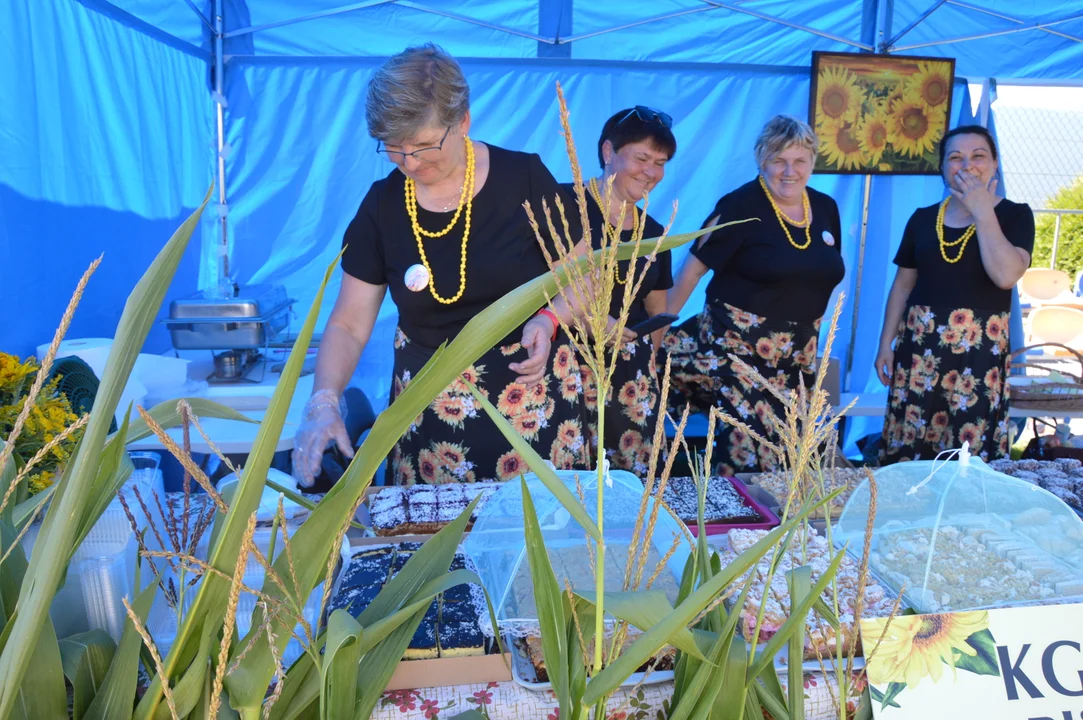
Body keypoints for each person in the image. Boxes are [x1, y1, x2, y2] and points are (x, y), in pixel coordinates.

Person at [291, 43, 587, 487]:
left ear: (463, 121)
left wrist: (550, 318)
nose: (410, 163)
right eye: (393, 148)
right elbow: (349, 323)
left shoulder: (524, 178)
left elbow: (585, 275)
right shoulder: (383, 206)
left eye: (425, 145)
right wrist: (324, 401)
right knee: (432, 549)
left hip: (531, 406)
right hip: (429, 422)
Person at [664, 114, 844, 475]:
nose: (789, 171)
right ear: (762, 160)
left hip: (797, 360)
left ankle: (790, 531)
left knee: (797, 463)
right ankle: (742, 529)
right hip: (736, 354)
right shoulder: (738, 206)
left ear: (812, 162)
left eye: (799, 161)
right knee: (748, 460)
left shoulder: (825, 208)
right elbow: (690, 272)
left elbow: (825, 270)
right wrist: (654, 335)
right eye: (778, 160)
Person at [875, 125, 1033, 464]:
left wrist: (982, 210)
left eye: (978, 156)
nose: (967, 165)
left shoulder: (1016, 215)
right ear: (943, 167)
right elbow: (902, 285)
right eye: (956, 157)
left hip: (978, 357)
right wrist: (884, 345)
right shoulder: (922, 219)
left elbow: (1006, 275)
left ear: (994, 163)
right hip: (919, 352)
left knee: (967, 455)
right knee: (910, 449)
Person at [561, 106, 676, 477]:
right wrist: (589, 319)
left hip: (631, 381)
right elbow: (534, 287)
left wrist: (648, 368)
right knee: (570, 481)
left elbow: (657, 308)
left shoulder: (655, 231)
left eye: (660, 163)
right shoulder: (562, 207)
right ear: (608, 152)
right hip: (567, 369)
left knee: (630, 485)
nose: (651, 172)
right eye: (642, 158)